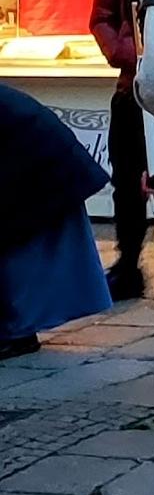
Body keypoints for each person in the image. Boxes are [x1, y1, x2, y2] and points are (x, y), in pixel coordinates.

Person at [0, 84, 111, 360]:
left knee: (18, 250)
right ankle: (14, 331)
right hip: (33, 161)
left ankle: (13, 334)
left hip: (36, 165)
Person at [89, 0, 147, 300]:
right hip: (130, 87)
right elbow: (101, 19)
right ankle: (128, 262)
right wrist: (129, 55)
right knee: (126, 181)